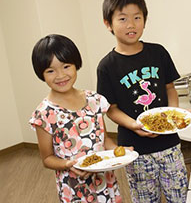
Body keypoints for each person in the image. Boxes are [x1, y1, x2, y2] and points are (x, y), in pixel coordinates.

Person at [97, 0, 188, 203]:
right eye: (122, 18)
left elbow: (169, 88)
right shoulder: (106, 66)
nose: (131, 24)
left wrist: (172, 115)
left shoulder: (158, 52)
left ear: (144, 20)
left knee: (180, 195)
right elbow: (111, 109)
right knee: (145, 198)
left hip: (169, 142)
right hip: (134, 149)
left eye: (137, 17)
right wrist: (135, 125)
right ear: (108, 23)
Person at [29, 34, 122, 203]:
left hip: (104, 181)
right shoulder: (44, 113)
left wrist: (119, 152)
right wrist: (69, 164)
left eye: (66, 66)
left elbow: (105, 138)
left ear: (76, 65)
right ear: (41, 74)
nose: (60, 75)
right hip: (74, 189)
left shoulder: (94, 99)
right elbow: (47, 158)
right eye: (50, 70)